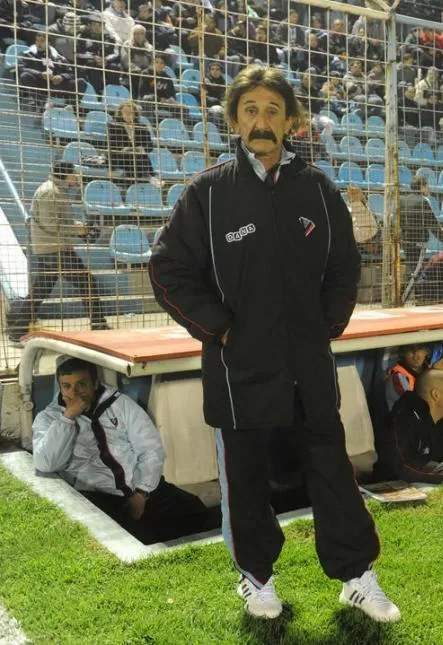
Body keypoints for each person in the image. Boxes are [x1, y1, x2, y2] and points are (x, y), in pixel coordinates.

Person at [148, 65, 399, 623]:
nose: (262, 121)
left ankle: (357, 577)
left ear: (292, 122)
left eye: (273, 111)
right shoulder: (207, 193)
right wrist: (221, 328)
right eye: (251, 110)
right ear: (235, 120)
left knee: (332, 472)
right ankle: (256, 579)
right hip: (239, 371)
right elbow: (167, 269)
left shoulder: (317, 188)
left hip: (308, 367)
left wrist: (328, 324)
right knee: (246, 480)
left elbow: (344, 264)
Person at [32, 358, 209, 544]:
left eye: (81, 385)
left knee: (194, 510)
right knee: (135, 537)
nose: (73, 393)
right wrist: (67, 418)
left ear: (95, 384)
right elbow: (46, 463)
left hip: (141, 487)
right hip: (99, 495)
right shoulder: (49, 418)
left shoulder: (121, 405)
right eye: (66, 386)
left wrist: (142, 493)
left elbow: (150, 448)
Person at [6, 162, 109, 342]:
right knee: (87, 282)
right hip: (55, 249)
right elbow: (51, 224)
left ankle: (17, 330)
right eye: (73, 173)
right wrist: (79, 231)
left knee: (40, 291)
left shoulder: (56, 191)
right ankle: (99, 324)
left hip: (51, 247)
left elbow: (59, 221)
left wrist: (80, 227)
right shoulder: (50, 192)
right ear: (66, 175)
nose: (76, 176)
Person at [106, 100, 155, 182]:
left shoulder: (141, 127)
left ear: (135, 114)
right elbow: (111, 143)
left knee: (141, 157)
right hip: (120, 157)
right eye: (125, 112)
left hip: (138, 157)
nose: (128, 115)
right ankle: (151, 176)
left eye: (131, 113)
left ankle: (145, 177)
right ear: (120, 113)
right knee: (138, 159)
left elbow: (149, 145)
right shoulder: (113, 125)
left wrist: (140, 149)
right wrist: (125, 149)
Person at [385, 343, 434, 411]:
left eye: (420, 349)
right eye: (411, 349)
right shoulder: (398, 377)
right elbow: (414, 405)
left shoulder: (430, 371)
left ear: (426, 352)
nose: (416, 355)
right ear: (403, 352)